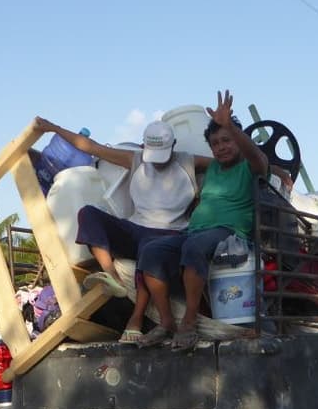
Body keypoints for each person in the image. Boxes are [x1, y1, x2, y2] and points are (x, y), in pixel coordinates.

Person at [31, 116, 207, 343]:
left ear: (173, 146)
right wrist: (52, 128)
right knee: (88, 214)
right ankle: (111, 276)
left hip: (171, 232)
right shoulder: (135, 160)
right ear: (144, 146)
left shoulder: (189, 162)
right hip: (137, 227)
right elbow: (90, 146)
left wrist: (266, 165)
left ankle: (136, 319)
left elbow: (229, 161)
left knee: (150, 249)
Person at [136, 91, 288, 350]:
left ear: (239, 141)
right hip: (194, 232)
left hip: (229, 232)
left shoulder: (247, 167)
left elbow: (261, 160)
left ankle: (189, 321)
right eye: (216, 143)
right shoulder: (214, 167)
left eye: (227, 140)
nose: (222, 147)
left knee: (192, 248)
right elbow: (174, 158)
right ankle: (166, 322)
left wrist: (229, 124)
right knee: (150, 251)